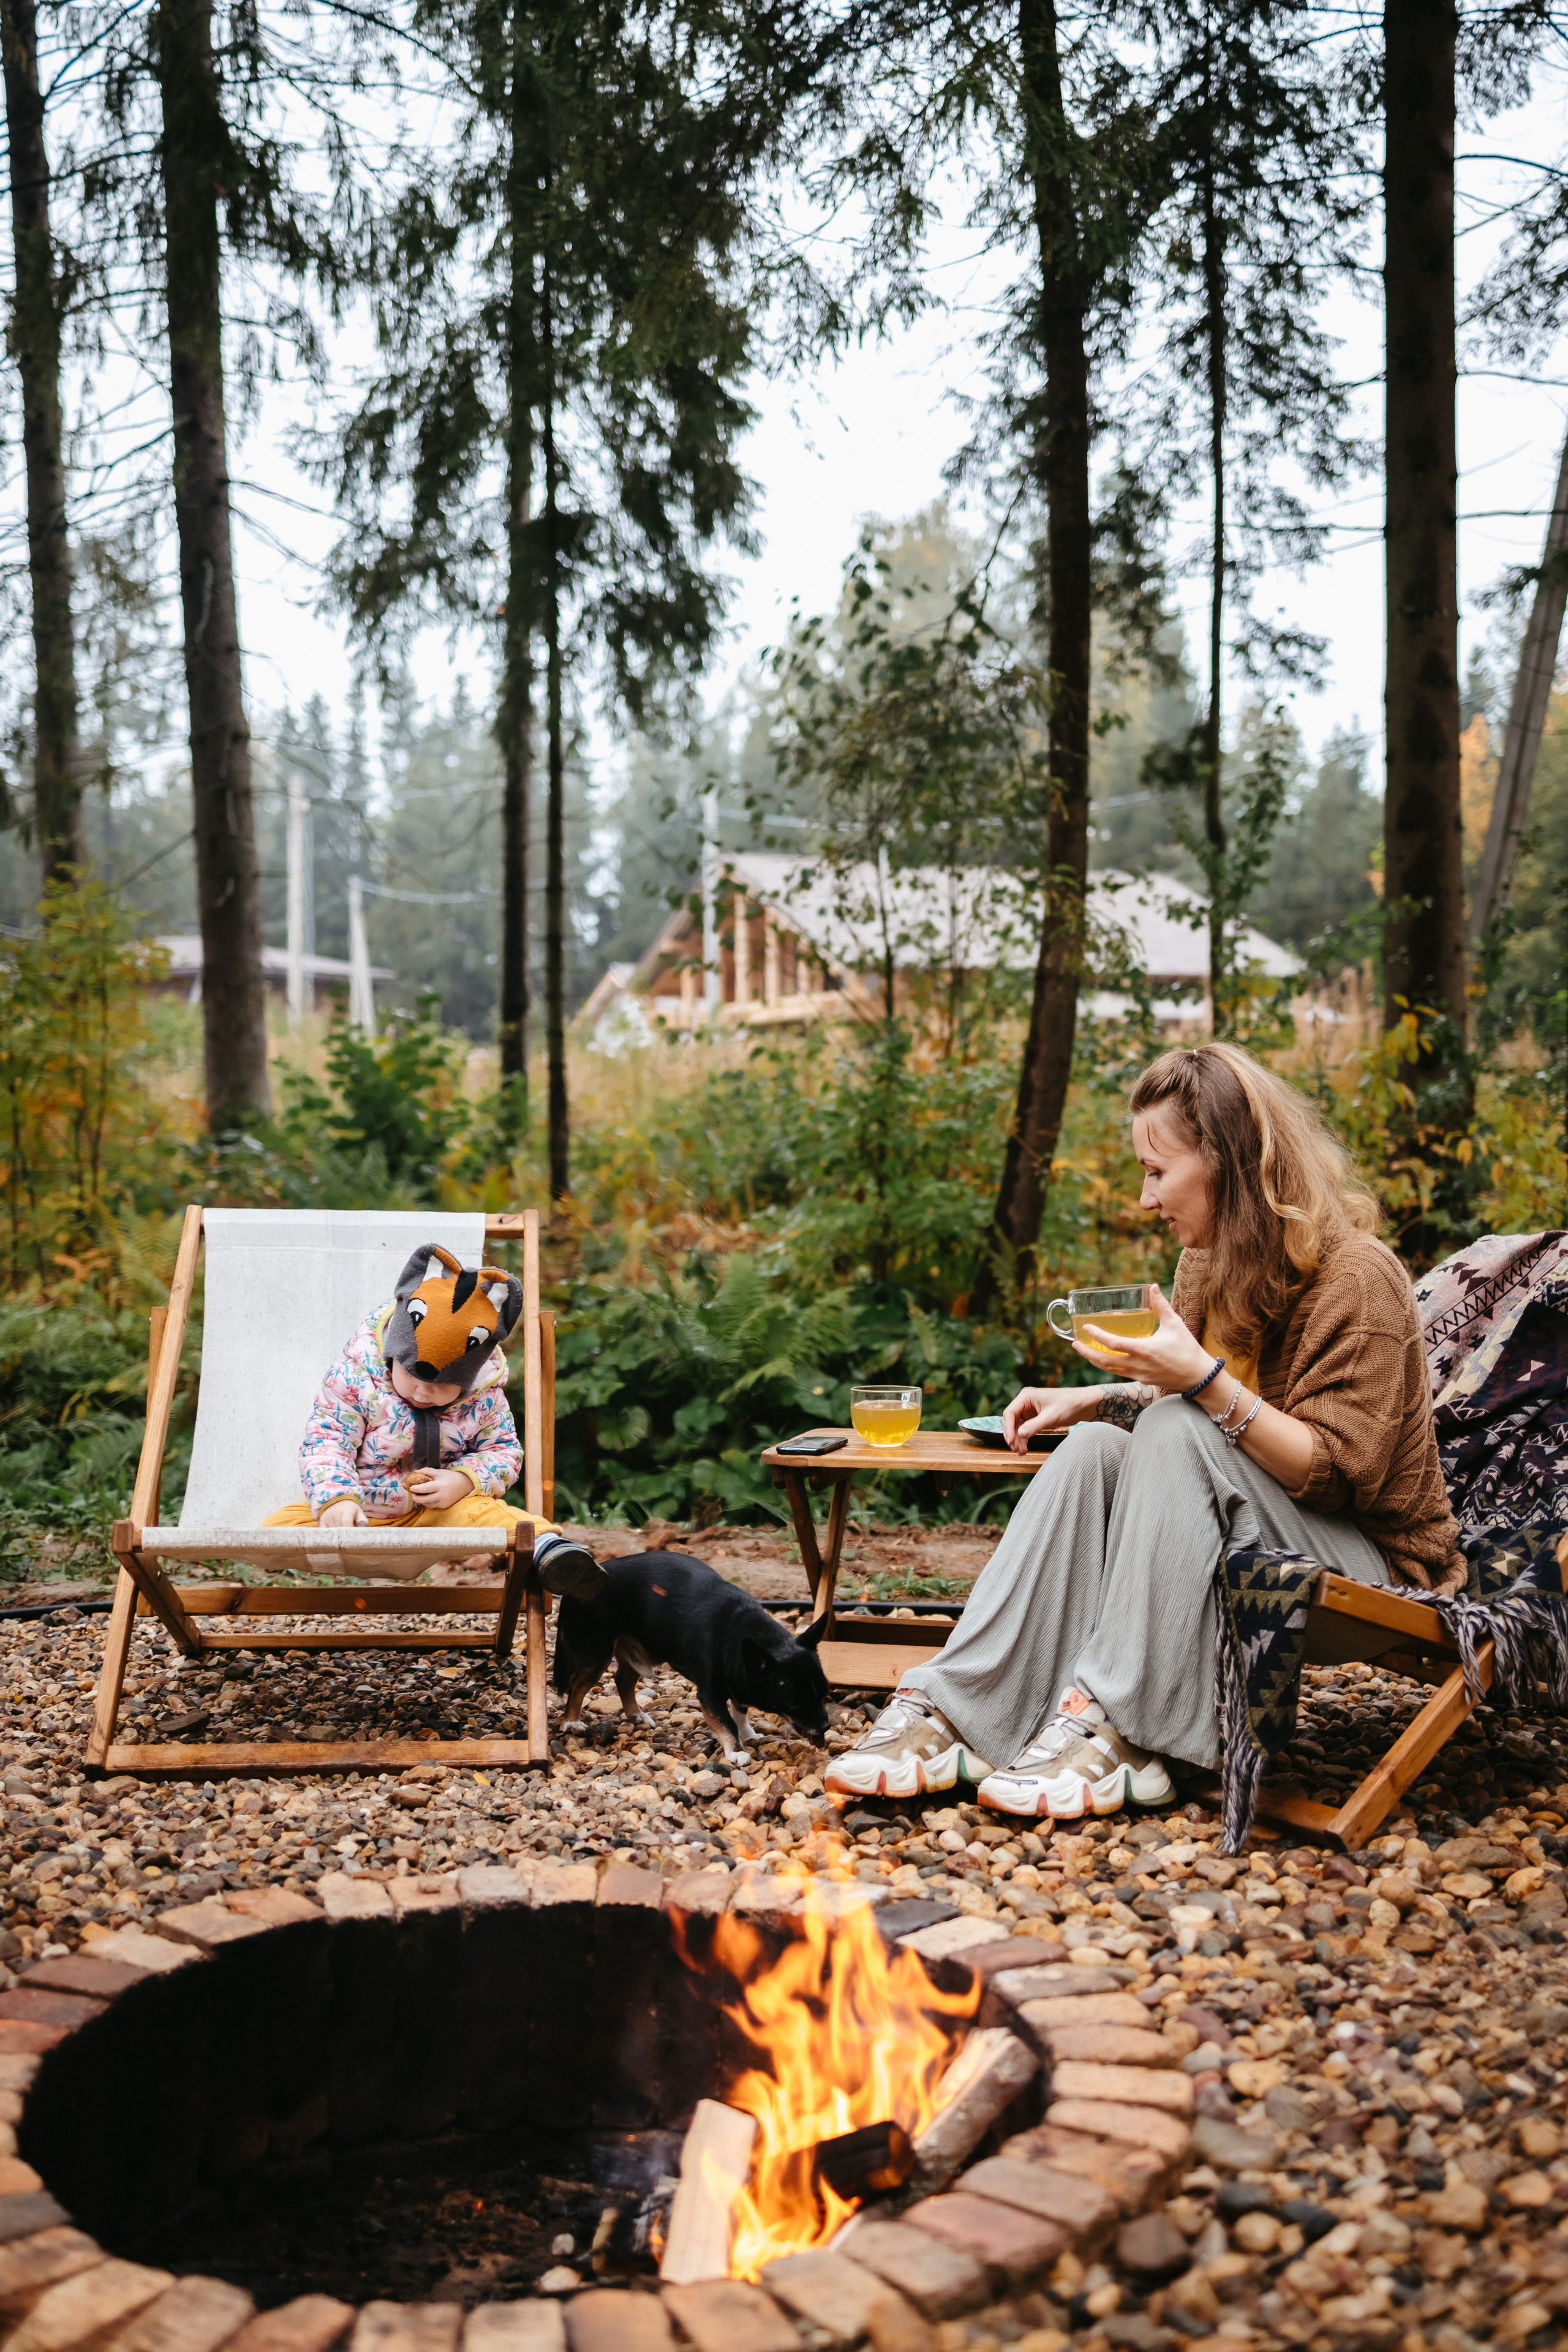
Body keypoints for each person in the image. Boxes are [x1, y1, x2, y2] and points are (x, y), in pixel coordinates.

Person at [826, 1043, 1461, 1819]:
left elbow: (1328, 1472)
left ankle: (1124, 1730)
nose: (1142, 1198)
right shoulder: (1207, 1265)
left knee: (1168, 1425)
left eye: (1157, 1172)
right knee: (1096, 1450)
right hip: (1256, 1525)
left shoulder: (1357, 1277)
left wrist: (1192, 1381)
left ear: (1228, 1162)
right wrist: (1093, 1400)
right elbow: (1201, 1419)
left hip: (1371, 1560)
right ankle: (960, 1710)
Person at [263, 1241, 605, 1599]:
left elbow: (504, 1453)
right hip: (362, 1509)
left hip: (437, 1514)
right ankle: (321, 1521)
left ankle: (552, 1551)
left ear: (468, 1378)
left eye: (443, 1387)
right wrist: (337, 1500)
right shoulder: (355, 1381)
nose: (424, 1393)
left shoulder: (483, 1398)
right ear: (394, 1353)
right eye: (413, 1377)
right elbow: (327, 1442)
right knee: (278, 1527)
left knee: (495, 1519)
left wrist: (463, 1481)